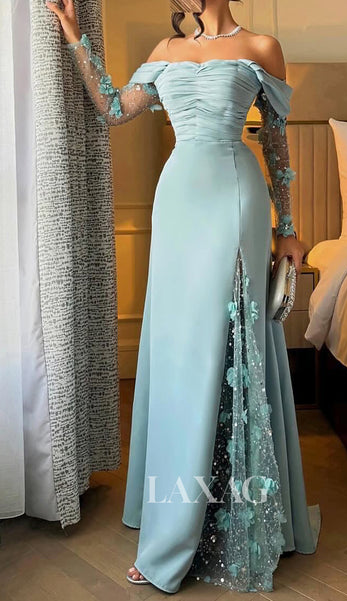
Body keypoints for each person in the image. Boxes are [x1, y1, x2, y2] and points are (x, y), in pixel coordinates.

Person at [46, 0, 321, 594]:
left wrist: (288, 228)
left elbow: (276, 143)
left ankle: (212, 524)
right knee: (177, 357)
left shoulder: (262, 48)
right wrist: (73, 34)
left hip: (235, 198)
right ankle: (178, 516)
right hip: (177, 203)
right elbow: (113, 108)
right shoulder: (166, 52)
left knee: (227, 349)